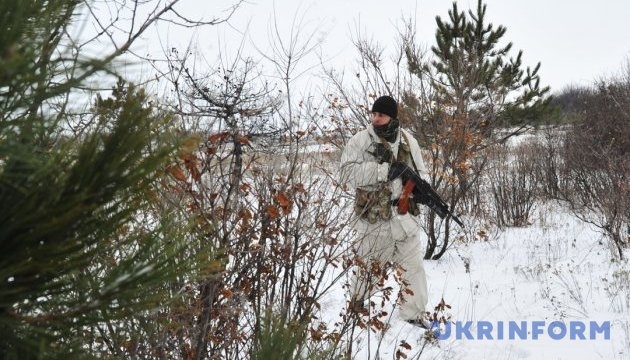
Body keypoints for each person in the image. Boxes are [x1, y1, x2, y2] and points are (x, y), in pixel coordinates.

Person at [340, 95, 431, 328]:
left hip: (405, 220)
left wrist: (420, 189)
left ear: (392, 117)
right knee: (369, 269)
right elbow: (347, 173)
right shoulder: (361, 141)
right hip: (374, 221)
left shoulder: (409, 142)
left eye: (381, 115)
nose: (375, 118)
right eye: (374, 114)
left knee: (414, 269)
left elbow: (422, 172)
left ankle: (414, 314)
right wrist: (382, 172)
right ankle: (357, 308)